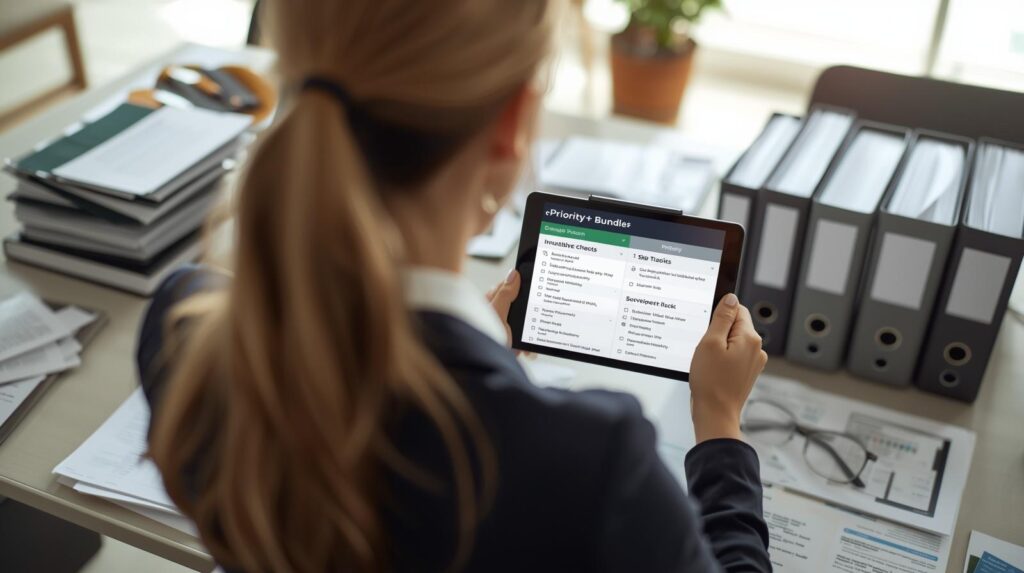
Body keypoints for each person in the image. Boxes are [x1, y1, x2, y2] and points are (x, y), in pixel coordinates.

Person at [136, 0, 772, 571]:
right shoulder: (594, 465)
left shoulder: (181, 326)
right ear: (512, 126)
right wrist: (720, 424)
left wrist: (477, 356)